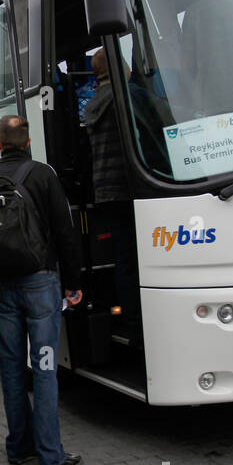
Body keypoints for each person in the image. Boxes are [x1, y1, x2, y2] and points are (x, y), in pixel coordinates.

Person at [0, 116, 84, 465]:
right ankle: (51, 457)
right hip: (41, 286)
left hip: (2, 290)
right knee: (45, 369)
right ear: (29, 141)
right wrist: (74, 281)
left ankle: (19, 448)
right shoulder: (43, 175)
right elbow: (65, 231)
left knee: (12, 370)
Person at [83, 48, 141, 336]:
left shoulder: (93, 104)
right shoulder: (125, 98)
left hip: (106, 190)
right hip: (129, 188)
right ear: (120, 67)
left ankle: (131, 323)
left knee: (124, 259)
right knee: (138, 259)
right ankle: (139, 324)